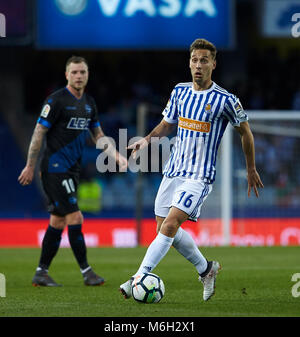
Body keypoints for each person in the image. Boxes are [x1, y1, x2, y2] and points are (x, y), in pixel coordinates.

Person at [120, 39, 264, 301]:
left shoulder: (226, 100)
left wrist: (251, 168)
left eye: (204, 60)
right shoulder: (179, 92)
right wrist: (145, 140)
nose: (199, 65)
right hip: (173, 171)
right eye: (195, 60)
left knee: (172, 224)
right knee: (164, 228)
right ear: (189, 63)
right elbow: (166, 124)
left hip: (199, 176)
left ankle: (138, 277)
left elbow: (246, 133)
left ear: (213, 64)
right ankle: (206, 269)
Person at [18, 56, 128, 287]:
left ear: (87, 75)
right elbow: (39, 132)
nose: (79, 76)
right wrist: (30, 165)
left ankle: (41, 272)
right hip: (56, 167)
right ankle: (87, 272)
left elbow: (98, 135)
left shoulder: (89, 103)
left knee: (57, 221)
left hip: (72, 169)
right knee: (75, 216)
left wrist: (116, 156)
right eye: (75, 72)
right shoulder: (56, 100)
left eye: (83, 72)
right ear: (67, 75)